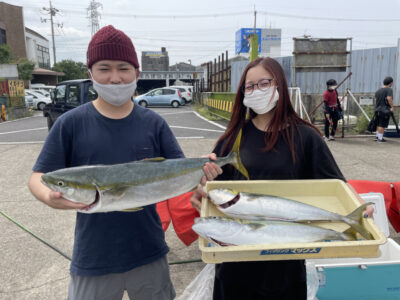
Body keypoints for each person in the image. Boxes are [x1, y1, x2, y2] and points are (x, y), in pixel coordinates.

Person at [28, 25, 221, 300]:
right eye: (104, 68)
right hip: (92, 256)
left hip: (149, 251)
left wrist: (201, 175)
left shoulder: (153, 123)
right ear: (90, 73)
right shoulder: (70, 123)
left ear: (136, 74)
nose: (115, 78)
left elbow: (179, 174)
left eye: (123, 68)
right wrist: (49, 196)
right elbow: (38, 176)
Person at [190, 57, 373, 300]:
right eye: (249, 86)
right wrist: (201, 192)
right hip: (235, 263)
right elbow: (210, 191)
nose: (256, 91)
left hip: (286, 262)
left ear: (279, 86)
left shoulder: (306, 137)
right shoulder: (233, 137)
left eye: (264, 83)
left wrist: (359, 207)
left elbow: (336, 187)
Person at [374, 76, 394, 143]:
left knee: (378, 123)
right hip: (384, 109)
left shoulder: (378, 90)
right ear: (390, 83)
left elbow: (376, 99)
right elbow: (389, 98)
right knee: (382, 124)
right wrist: (392, 107)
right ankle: (380, 138)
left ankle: (377, 137)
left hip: (377, 109)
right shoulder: (389, 89)